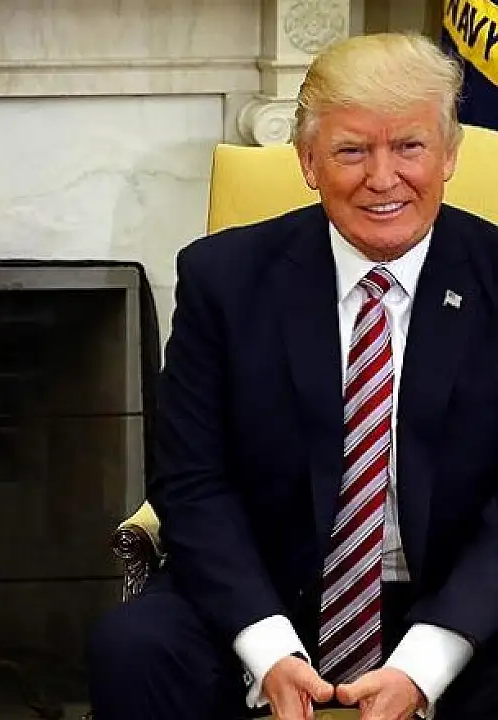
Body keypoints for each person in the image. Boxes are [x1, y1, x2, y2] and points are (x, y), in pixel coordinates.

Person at [87, 32, 498, 720]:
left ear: (449, 154)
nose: (383, 178)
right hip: (265, 591)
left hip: (455, 601)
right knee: (134, 648)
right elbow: (190, 479)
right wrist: (268, 647)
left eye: (409, 146)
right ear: (308, 161)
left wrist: (426, 663)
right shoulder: (223, 278)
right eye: (351, 151)